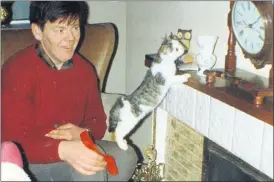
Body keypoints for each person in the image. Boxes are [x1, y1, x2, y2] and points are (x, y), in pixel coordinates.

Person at [1, 1, 138, 181]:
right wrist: (63, 150)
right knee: (90, 169)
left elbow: (97, 120)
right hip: (30, 158)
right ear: (38, 31)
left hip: (73, 144)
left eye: (74, 27)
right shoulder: (17, 70)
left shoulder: (85, 70)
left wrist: (82, 133)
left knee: (127, 156)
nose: (70, 38)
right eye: (60, 30)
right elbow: (13, 141)